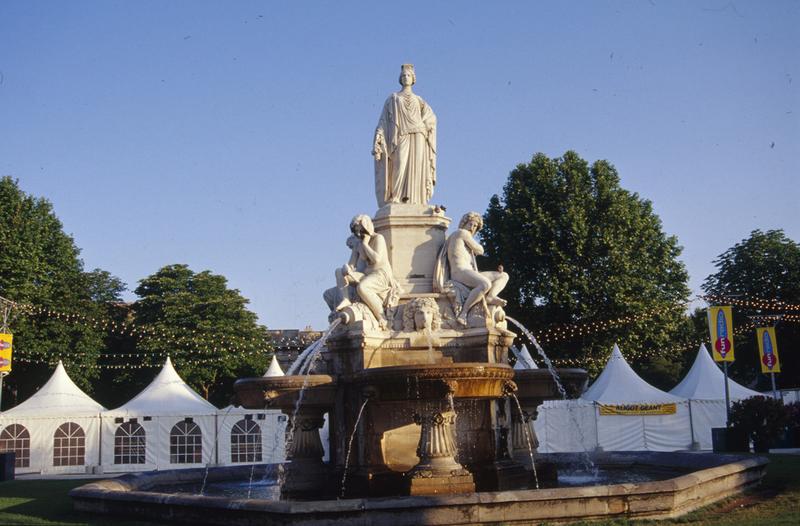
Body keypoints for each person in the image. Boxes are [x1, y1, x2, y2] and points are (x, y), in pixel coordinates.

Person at [373, 64, 437, 207]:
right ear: (400, 79)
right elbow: (383, 120)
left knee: (417, 166)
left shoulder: (419, 99)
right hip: (401, 135)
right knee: (399, 164)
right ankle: (396, 196)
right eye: (403, 76)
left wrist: (425, 125)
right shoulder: (393, 98)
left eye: (408, 75)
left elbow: (432, 117)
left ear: (413, 78)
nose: (405, 77)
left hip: (419, 134)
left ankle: (416, 199)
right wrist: (379, 134)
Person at [439, 212, 508, 327]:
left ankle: (490, 297)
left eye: (475, 226)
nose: (472, 228)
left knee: (503, 275)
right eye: (470, 224)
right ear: (464, 223)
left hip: (469, 272)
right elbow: (479, 250)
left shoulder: (463, 239)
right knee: (485, 284)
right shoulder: (461, 233)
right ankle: (463, 313)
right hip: (459, 272)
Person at [345, 215, 398, 330]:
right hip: (368, 275)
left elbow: (376, 259)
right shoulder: (359, 243)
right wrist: (347, 269)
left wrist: (365, 244)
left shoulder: (378, 238)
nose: (359, 234)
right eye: (356, 232)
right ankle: (344, 304)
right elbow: (352, 264)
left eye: (360, 230)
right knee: (342, 275)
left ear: (366, 227)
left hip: (381, 274)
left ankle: (382, 316)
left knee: (362, 288)